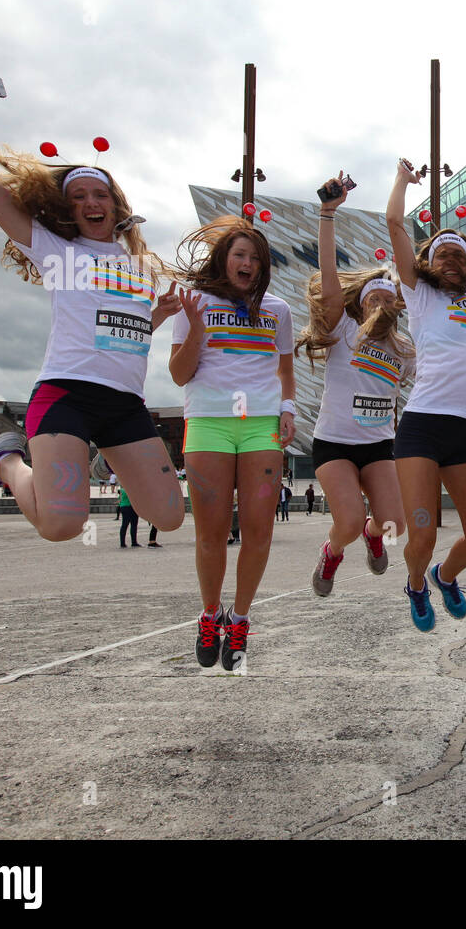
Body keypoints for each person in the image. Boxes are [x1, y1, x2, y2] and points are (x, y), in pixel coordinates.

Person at [0, 68, 185, 543]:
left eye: (100, 194)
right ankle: (5, 462)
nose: (91, 202)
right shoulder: (55, 248)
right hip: (67, 394)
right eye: (79, 197)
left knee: (170, 515)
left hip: (124, 403)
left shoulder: (137, 266)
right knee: (62, 525)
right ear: (68, 209)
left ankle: (90, 455)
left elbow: (120, 330)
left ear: (116, 205)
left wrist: (157, 315)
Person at [169, 215, 296, 671]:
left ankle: (239, 618)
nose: (248, 263)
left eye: (256, 258)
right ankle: (209, 615)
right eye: (240, 255)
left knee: (260, 530)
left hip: (260, 422)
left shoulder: (278, 310)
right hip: (208, 423)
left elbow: (285, 371)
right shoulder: (195, 302)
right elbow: (179, 374)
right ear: (224, 259)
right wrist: (196, 330)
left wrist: (288, 409)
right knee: (212, 532)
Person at [387, 162, 466, 632]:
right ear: (428, 263)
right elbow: (396, 225)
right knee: (424, 532)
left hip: (464, 432)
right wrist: (401, 182)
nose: (453, 259)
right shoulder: (419, 295)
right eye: (443, 253)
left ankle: (444, 576)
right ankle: (416, 582)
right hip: (421, 428)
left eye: (460, 254)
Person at [300, 173, 412, 601]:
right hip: (335, 442)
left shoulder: (404, 348)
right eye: (373, 298)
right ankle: (332, 552)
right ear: (361, 302)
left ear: (396, 306)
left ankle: (373, 535)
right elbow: (328, 275)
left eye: (388, 299)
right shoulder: (342, 328)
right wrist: (328, 214)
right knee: (344, 521)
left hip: (378, 445)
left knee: (393, 526)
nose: (380, 304)